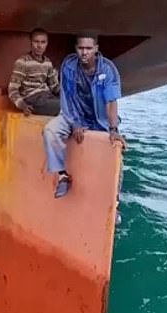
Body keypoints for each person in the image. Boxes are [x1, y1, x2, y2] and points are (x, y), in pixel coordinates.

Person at [42, 32, 127, 200]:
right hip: (73, 114)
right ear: (76, 49)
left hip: (99, 119)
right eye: (81, 48)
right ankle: (62, 175)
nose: (84, 52)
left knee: (116, 154)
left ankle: (115, 199)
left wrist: (113, 129)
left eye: (88, 48)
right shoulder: (69, 65)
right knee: (50, 131)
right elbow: (67, 96)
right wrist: (75, 123)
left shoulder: (108, 70)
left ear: (96, 49)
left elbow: (111, 101)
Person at [7, 28, 60, 116]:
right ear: (31, 42)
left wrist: (69, 95)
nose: (39, 46)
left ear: (47, 43)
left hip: (47, 97)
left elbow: (54, 86)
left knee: (72, 104)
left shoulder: (47, 62)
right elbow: (12, 89)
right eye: (36, 42)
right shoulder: (23, 62)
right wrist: (22, 105)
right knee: (64, 108)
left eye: (43, 42)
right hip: (32, 99)